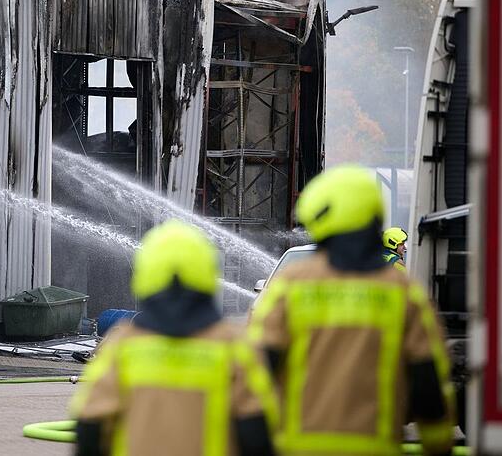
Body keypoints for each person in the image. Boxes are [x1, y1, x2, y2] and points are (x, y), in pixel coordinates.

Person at [249, 166, 454, 456]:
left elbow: (257, 375)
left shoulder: (289, 289)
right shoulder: (404, 295)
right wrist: (438, 445)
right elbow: (427, 384)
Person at [71, 220, 278, 456]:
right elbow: (256, 434)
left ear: (146, 273)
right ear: (209, 271)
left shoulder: (123, 345)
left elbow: (90, 427)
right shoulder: (234, 347)